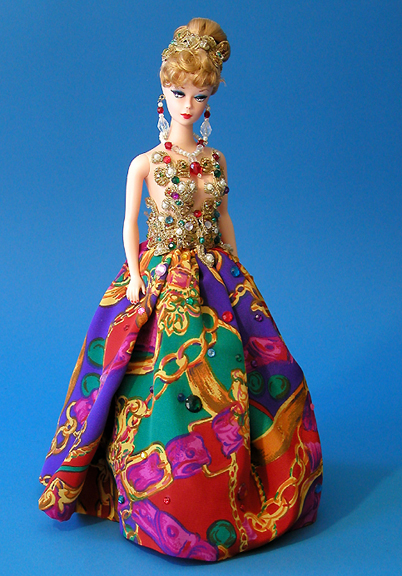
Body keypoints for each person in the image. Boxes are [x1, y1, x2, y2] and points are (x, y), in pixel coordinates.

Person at [39, 18, 323, 562]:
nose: (187, 105)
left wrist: (236, 267)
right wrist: (135, 274)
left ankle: (237, 481)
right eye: (178, 93)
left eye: (199, 95)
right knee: (146, 381)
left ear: (210, 99)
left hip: (217, 276)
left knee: (244, 371)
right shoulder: (145, 164)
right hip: (162, 278)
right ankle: (159, 489)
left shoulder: (216, 160)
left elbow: (224, 217)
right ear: (163, 91)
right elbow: (128, 224)